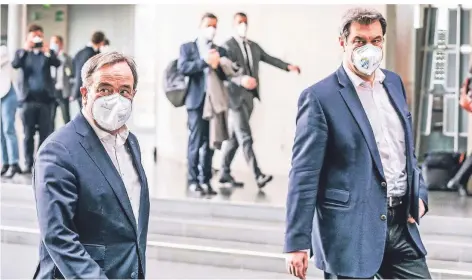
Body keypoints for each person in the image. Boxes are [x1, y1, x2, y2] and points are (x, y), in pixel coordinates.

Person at [284, 8, 431, 280]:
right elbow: (304, 174)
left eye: (376, 41)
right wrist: (296, 242)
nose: (369, 49)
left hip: (400, 225)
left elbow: (406, 152)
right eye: (359, 41)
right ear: (343, 42)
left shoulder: (394, 84)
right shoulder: (319, 97)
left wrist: (419, 194)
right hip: (350, 233)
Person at [33, 52, 150, 279]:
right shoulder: (58, 150)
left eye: (124, 91)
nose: (115, 98)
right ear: (85, 94)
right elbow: (58, 236)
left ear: (133, 95)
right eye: (104, 89)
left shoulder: (130, 143)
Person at [219, 12, 301, 189]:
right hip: (235, 99)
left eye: (245, 22)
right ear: (234, 24)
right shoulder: (227, 46)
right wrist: (241, 80)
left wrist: (288, 67)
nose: (243, 25)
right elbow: (224, 73)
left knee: (235, 138)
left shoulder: (253, 46)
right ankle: (258, 175)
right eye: (240, 22)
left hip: (250, 98)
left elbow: (269, 58)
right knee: (246, 137)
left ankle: (224, 172)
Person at [178, 12, 228, 196]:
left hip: (213, 103)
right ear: (201, 26)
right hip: (196, 102)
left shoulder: (220, 50)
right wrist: (204, 62)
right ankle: (192, 181)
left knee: (210, 144)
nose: (212, 29)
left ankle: (206, 181)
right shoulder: (188, 48)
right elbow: (183, 68)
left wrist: (218, 65)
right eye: (209, 25)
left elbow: (226, 77)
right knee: (195, 142)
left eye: (215, 26)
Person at [11, 24, 60, 174]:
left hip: (46, 100)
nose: (37, 38)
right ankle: (28, 163)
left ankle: (42, 163)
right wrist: (26, 48)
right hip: (28, 100)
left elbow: (57, 63)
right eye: (34, 36)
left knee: (46, 134)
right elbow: (15, 64)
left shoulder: (47, 53)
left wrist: (47, 52)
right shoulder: (22, 53)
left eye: (39, 35)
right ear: (28, 37)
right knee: (28, 134)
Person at [0, 45, 21, 178]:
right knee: (1, 131)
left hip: (8, 93)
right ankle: (5, 162)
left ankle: (14, 163)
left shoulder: (3, 49)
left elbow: (5, 59)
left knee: (8, 128)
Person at [72, 31, 106, 109]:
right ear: (101, 42)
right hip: (89, 89)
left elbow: (73, 70)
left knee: (83, 114)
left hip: (78, 88)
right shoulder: (94, 54)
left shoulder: (79, 53)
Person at [50, 35, 73, 129]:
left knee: (66, 117)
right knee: (50, 118)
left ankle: (69, 137)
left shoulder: (67, 58)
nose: (54, 45)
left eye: (56, 42)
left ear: (61, 44)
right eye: (52, 42)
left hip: (63, 91)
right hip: (51, 91)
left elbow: (71, 73)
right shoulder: (48, 57)